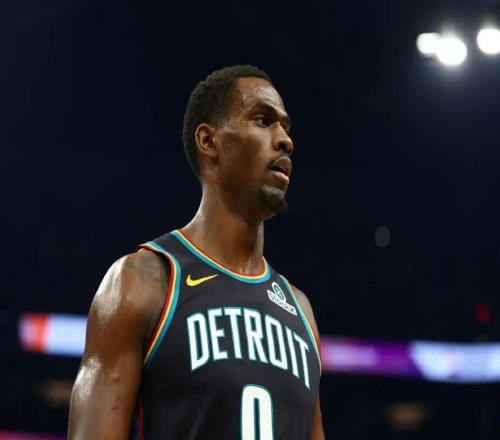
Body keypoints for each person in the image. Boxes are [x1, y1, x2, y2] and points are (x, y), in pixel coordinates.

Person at [68, 65, 324, 440]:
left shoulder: (300, 311)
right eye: (263, 120)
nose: (285, 140)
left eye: (286, 127)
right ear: (208, 141)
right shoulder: (143, 282)